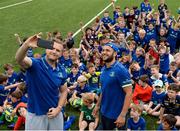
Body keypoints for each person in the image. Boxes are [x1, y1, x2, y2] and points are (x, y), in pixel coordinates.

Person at [15, 34, 68, 130]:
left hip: (55, 113)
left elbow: (64, 90)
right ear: (46, 49)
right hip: (36, 115)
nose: (54, 52)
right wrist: (26, 45)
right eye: (52, 48)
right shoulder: (35, 64)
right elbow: (19, 59)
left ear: (61, 54)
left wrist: (58, 108)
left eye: (58, 50)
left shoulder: (61, 70)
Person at [93, 43, 132, 130]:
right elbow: (103, 90)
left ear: (115, 54)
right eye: (103, 50)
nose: (104, 52)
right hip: (104, 112)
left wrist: (122, 115)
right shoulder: (103, 69)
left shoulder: (121, 70)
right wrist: (97, 106)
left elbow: (129, 93)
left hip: (116, 115)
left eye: (108, 50)